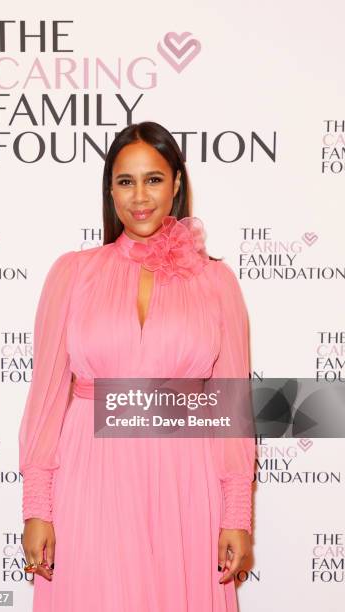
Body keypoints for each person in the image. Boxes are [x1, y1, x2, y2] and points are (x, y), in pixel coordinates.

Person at [19, 121, 255, 611]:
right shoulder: (73, 273)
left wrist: (237, 513)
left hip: (184, 480)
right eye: (126, 181)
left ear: (176, 186)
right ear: (110, 190)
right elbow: (44, 400)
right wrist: (37, 507)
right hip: (91, 474)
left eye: (153, 179)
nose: (140, 196)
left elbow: (232, 405)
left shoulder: (216, 281)